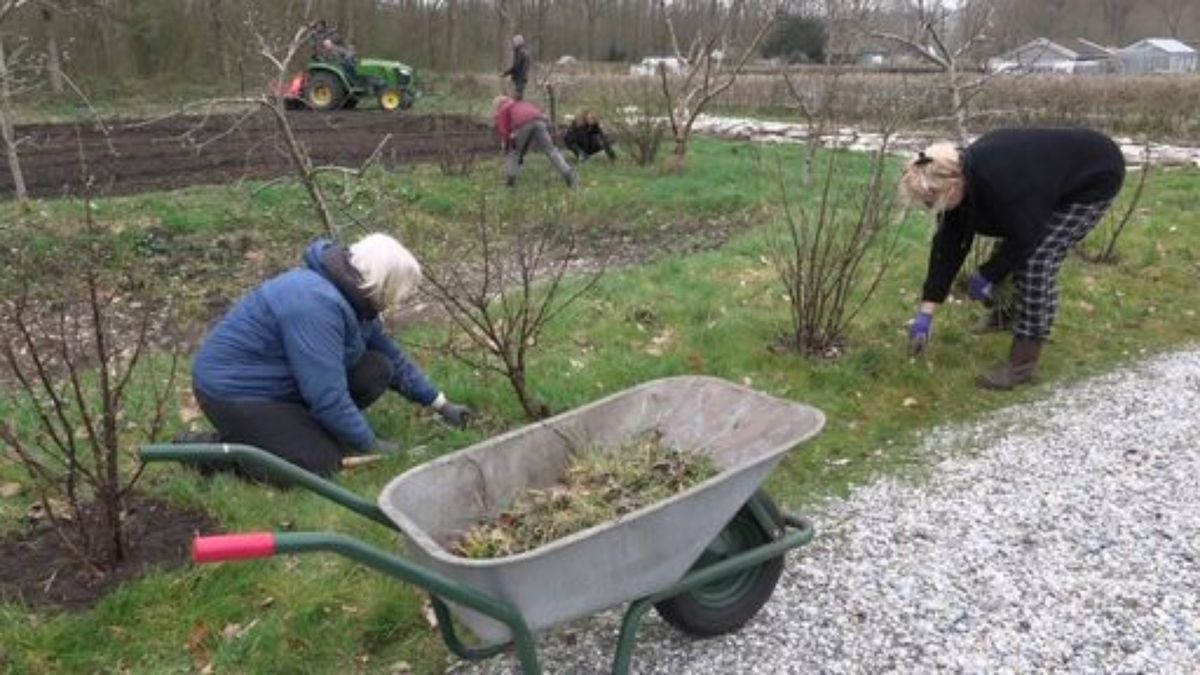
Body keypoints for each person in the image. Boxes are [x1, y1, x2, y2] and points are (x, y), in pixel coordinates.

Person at [191, 234, 471, 478]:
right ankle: (210, 450)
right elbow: (326, 394)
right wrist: (370, 444)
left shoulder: (353, 297)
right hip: (236, 393)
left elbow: (392, 358)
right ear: (382, 284)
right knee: (320, 463)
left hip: (282, 384)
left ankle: (296, 434)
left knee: (378, 368)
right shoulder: (315, 304)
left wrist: (441, 404)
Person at [903, 127, 1125, 390]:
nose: (931, 208)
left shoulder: (1003, 183)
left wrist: (989, 274)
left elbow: (1026, 235)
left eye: (933, 201)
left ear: (954, 183)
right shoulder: (963, 185)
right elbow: (947, 249)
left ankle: (1022, 364)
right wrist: (926, 313)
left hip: (1094, 175)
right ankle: (1005, 317)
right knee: (1013, 249)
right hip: (1046, 180)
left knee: (1037, 261)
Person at [492, 95, 576, 188]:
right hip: (539, 121)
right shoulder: (521, 103)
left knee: (513, 152)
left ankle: (510, 182)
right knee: (551, 150)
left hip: (522, 124)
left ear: (498, 105)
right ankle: (569, 175)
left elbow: (504, 130)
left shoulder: (503, 109)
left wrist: (507, 142)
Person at [501, 35, 531, 100]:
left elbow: (516, 66)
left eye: (514, 42)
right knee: (519, 97)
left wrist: (505, 73)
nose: (513, 44)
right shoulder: (525, 52)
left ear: (518, 43)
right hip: (522, 78)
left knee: (517, 98)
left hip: (519, 79)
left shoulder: (520, 52)